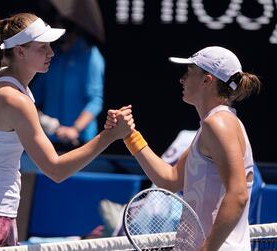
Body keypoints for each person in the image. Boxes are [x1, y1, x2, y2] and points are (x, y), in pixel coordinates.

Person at [0, 12, 134, 250]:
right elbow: (56, 170)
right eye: (42, 48)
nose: (51, 53)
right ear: (20, 52)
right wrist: (110, 136)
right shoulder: (15, 99)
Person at [106, 46, 261, 250]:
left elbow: (238, 194)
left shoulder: (218, 124)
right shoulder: (214, 125)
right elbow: (169, 180)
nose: (182, 79)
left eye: (189, 73)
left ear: (207, 80)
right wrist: (130, 135)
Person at [31, 16, 105, 150]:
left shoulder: (90, 56)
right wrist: (43, 121)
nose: (60, 43)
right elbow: (33, 97)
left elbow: (95, 100)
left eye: (64, 38)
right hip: (49, 138)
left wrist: (75, 129)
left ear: (75, 33)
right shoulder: (52, 56)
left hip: (79, 140)